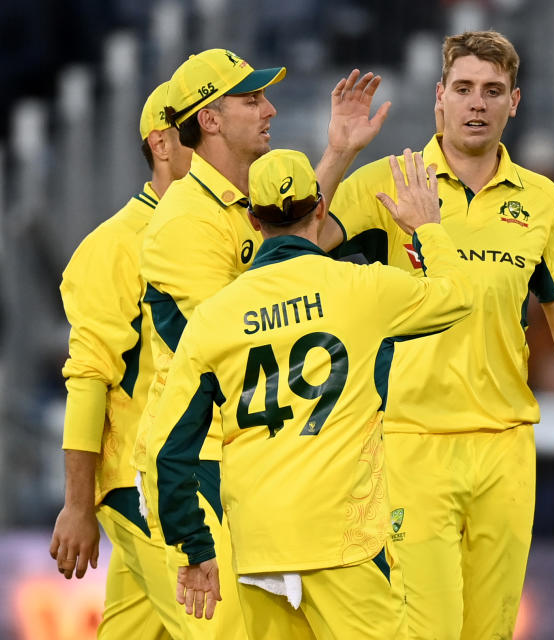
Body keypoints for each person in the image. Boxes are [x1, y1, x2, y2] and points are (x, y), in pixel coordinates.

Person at [319, 30, 554, 638]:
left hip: (506, 446)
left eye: (492, 91)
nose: (476, 103)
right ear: (439, 98)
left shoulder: (543, 202)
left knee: (491, 631)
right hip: (412, 442)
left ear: (515, 101)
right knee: (426, 629)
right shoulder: (392, 181)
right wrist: (338, 153)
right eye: (463, 89)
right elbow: (298, 246)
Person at [146, 148, 473, 638]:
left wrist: (194, 548)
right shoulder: (361, 288)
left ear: (253, 220)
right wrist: (427, 227)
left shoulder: (216, 317)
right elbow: (458, 296)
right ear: (321, 207)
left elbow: (169, 450)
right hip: (340, 537)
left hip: (259, 545)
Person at [132, 48, 389, 638]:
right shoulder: (183, 225)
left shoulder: (251, 202)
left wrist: (340, 152)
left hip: (254, 467)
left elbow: (295, 246)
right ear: (212, 120)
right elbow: (257, 323)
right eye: (252, 99)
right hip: (198, 472)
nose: (269, 109)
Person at [49, 80, 193, 639]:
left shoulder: (225, 225)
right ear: (162, 144)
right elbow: (88, 379)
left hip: (181, 480)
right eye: (199, 131)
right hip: (144, 488)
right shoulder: (114, 245)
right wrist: (78, 506)